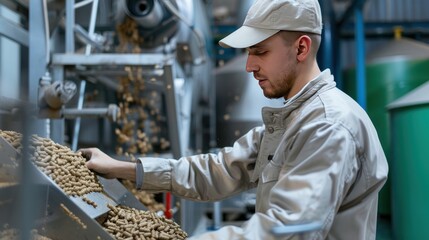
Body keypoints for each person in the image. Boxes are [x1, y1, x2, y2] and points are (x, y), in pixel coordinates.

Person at [80, 0, 388, 239]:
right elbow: (217, 170)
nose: (249, 65)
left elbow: (287, 231)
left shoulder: (328, 125)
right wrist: (120, 167)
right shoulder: (290, 120)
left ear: (302, 48)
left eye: (260, 52)